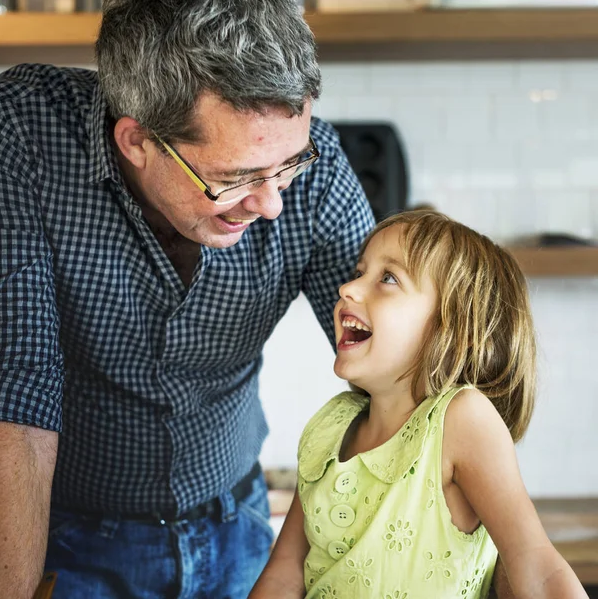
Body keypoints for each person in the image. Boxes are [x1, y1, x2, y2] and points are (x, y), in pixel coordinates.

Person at [0, 0, 377, 597]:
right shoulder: (24, 132)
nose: (272, 202)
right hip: (65, 534)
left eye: (289, 164)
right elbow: (18, 381)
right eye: (235, 178)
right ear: (137, 141)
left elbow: (399, 365)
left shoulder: (315, 169)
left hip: (240, 519)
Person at [249, 210, 588, 599]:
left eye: (388, 278)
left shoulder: (462, 420)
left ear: (454, 328)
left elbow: (538, 569)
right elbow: (285, 572)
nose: (349, 288)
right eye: (360, 272)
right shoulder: (329, 427)